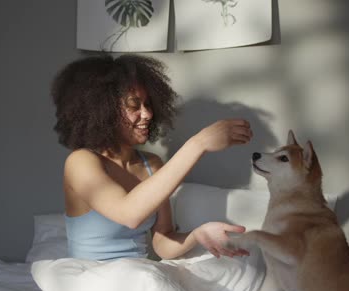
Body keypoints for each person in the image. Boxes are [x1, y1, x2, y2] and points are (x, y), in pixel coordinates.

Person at [51, 54, 253, 261]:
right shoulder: (81, 162)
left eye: (148, 104)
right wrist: (198, 143)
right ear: (103, 111)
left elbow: (162, 243)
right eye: (134, 105)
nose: (147, 114)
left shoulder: (151, 164)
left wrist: (197, 235)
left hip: (137, 275)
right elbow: (130, 215)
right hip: (92, 278)